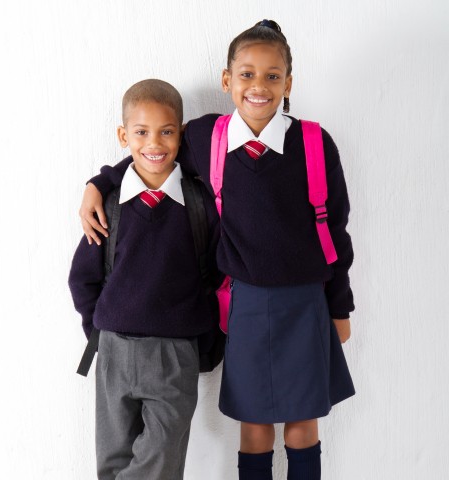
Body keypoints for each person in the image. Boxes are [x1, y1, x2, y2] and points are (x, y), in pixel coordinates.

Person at [79, 20, 355, 480]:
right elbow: (152, 148)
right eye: (246, 74)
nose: (259, 86)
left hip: (306, 302)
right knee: (255, 428)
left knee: (304, 426)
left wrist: (338, 305)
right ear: (227, 81)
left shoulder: (313, 142)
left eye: (272, 75)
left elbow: (336, 231)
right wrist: (99, 182)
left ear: (289, 82)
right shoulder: (209, 137)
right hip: (245, 304)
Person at [68, 79, 220, 480]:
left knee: (161, 463)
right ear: (124, 135)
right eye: (141, 132)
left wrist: (205, 338)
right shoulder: (108, 205)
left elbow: (219, 276)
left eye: (167, 131)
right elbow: (82, 279)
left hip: (175, 354)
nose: (155, 143)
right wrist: (100, 331)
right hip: (114, 352)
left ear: (182, 135)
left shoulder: (200, 203)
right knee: (112, 463)